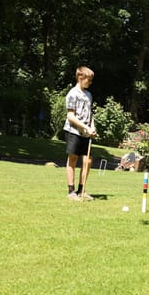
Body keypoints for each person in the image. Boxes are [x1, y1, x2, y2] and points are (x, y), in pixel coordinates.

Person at [63, 66, 97, 201]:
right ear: (80, 78)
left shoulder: (88, 95)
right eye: (88, 80)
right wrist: (84, 127)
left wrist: (92, 127)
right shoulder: (72, 94)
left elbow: (90, 114)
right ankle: (71, 191)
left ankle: (81, 190)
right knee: (73, 159)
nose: (90, 82)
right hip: (73, 131)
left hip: (86, 133)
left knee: (88, 161)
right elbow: (70, 116)